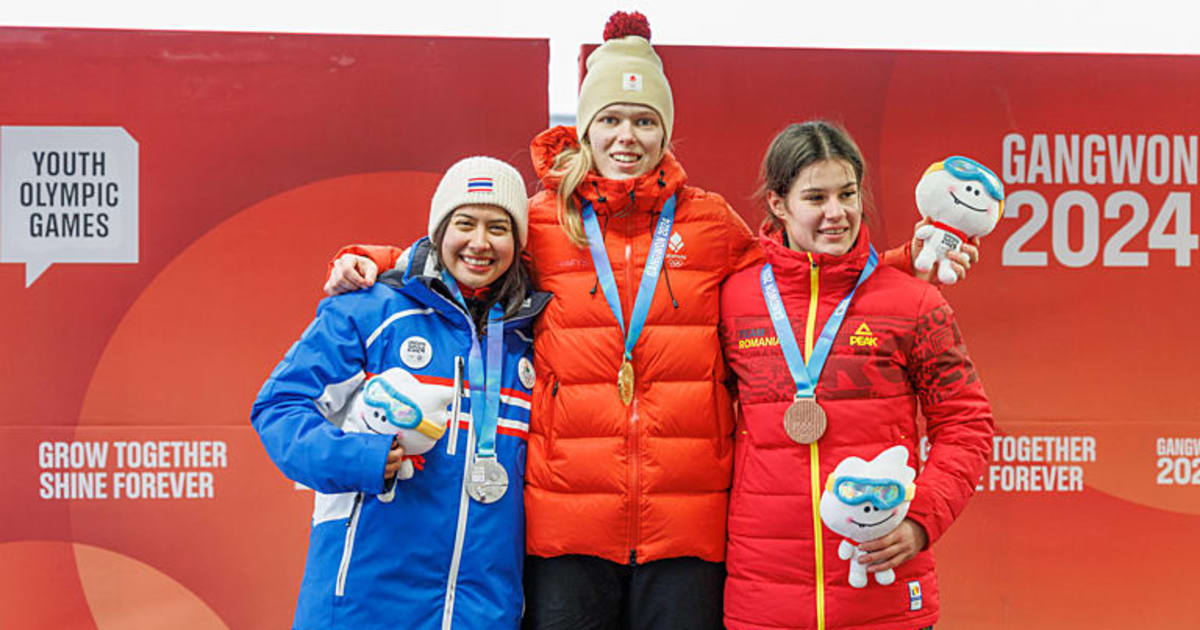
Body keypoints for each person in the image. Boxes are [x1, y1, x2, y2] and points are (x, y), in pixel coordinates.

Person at [321, 14, 978, 630]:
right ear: (585, 129)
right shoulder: (545, 220)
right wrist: (370, 261)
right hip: (569, 523)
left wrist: (898, 263)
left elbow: (800, 274)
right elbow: (464, 250)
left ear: (665, 130)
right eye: (610, 120)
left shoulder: (711, 223)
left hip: (686, 525)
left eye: (643, 120)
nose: (626, 138)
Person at [251, 156, 549, 630]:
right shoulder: (370, 310)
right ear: (438, 230)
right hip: (364, 604)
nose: (479, 243)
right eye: (464, 223)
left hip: (483, 610)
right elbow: (279, 407)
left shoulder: (531, 336)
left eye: (499, 228)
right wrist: (360, 457)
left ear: (518, 242)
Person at [718, 121, 994, 630]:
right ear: (778, 204)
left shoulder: (914, 302)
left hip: (884, 595)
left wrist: (921, 520)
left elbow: (967, 425)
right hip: (764, 600)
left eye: (847, 194)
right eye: (815, 197)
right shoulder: (735, 299)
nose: (836, 213)